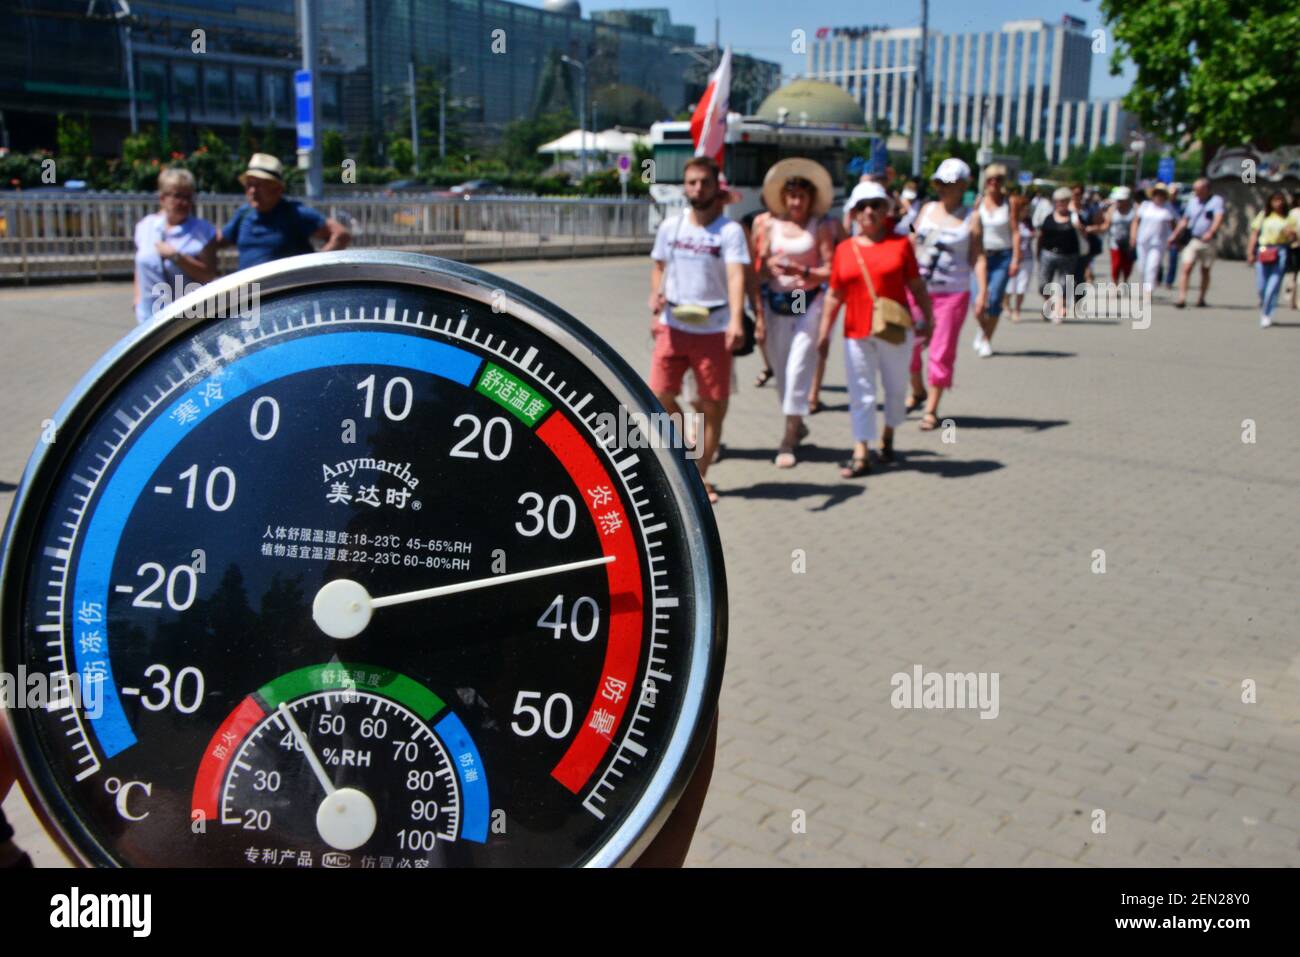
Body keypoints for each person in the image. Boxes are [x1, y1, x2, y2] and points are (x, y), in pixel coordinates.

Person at [647, 155, 749, 503]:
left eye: (704, 182)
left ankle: (699, 479)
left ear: (716, 186)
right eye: (691, 182)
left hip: (713, 327)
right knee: (658, 396)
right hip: (673, 324)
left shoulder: (730, 232)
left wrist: (737, 319)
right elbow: (658, 268)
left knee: (711, 405)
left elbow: (737, 275)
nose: (697, 188)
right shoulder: (671, 228)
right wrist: (656, 295)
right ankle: (688, 445)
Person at [821, 181, 935, 476]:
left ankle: (888, 435)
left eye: (875, 205)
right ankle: (861, 450)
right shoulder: (845, 249)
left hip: (894, 329)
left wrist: (929, 318)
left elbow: (916, 285)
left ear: (886, 209)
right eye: (862, 206)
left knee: (896, 390)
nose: (869, 211)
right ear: (854, 213)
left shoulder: (900, 245)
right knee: (861, 392)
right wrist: (823, 332)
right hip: (856, 331)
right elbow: (834, 294)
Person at [752, 158, 836, 468]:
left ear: (811, 198)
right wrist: (766, 264)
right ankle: (796, 422)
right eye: (792, 196)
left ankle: (787, 438)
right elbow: (754, 270)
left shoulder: (821, 226)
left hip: (805, 298)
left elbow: (831, 269)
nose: (797, 202)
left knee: (800, 364)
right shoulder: (766, 224)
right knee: (781, 367)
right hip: (775, 301)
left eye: (802, 196)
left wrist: (803, 270)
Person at [907, 157, 982, 430]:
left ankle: (931, 409)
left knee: (940, 351)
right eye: (939, 183)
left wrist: (981, 293)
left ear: (964, 185)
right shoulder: (926, 210)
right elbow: (912, 236)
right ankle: (917, 390)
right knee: (908, 346)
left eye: (949, 184)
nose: (943, 188)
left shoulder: (971, 219)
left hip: (952, 294)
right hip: (917, 290)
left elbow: (978, 258)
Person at [217, 153, 350, 270]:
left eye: (259, 185)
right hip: (248, 294)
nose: (252, 191)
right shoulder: (244, 213)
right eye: (249, 185)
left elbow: (341, 234)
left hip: (284, 295)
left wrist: (313, 269)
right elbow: (217, 241)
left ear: (277, 189)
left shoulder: (294, 213)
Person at [132, 167, 218, 324]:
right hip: (147, 319)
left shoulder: (203, 231)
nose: (184, 202)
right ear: (162, 198)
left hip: (183, 321)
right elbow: (140, 267)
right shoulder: (146, 227)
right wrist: (137, 300)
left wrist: (176, 257)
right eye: (177, 195)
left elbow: (208, 275)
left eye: (188, 196)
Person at [970, 164, 1019, 357]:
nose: (994, 183)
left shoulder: (1010, 202)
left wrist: (1016, 258)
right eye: (990, 179)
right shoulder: (979, 201)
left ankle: (986, 339)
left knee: (995, 298)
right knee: (978, 303)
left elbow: (1015, 232)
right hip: (980, 255)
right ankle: (983, 329)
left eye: (998, 179)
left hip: (1002, 256)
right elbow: (972, 228)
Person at [1171, 177, 1226, 308]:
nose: (1195, 191)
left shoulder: (1216, 201)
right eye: (1194, 188)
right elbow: (1185, 219)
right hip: (1193, 239)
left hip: (1208, 241)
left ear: (1206, 189)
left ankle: (1201, 298)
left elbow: (1218, 218)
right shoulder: (1192, 201)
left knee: (1205, 270)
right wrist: (1175, 234)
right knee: (1186, 267)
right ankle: (1182, 297)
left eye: (1198, 189)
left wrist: (1211, 232)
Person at [1036, 186, 1087, 322]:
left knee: (1064, 285)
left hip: (1069, 256)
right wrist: (1037, 253)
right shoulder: (1048, 218)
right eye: (1058, 201)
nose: (1060, 204)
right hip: (1048, 254)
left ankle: (1058, 310)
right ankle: (1050, 303)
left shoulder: (1075, 217)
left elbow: (1085, 235)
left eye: (1063, 201)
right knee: (1043, 284)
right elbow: (1041, 236)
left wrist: (1080, 228)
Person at [1246, 190, 1295, 328]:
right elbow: (1254, 234)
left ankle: (1266, 314)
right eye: (1275, 200)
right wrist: (1250, 252)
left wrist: (1291, 234)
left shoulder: (1288, 217)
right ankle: (1265, 304)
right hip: (1263, 250)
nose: (1278, 203)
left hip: (1280, 251)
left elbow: (1293, 238)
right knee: (1262, 286)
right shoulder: (1264, 215)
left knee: (1273, 286)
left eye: (1280, 200)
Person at [1131, 183, 1177, 292]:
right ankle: (1145, 287)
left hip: (1158, 243)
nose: (1159, 196)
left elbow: (1174, 225)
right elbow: (1136, 221)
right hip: (1142, 241)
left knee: (1152, 267)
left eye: (1161, 194)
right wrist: (1133, 236)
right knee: (1142, 268)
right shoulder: (1145, 205)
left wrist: (1174, 238)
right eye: (1157, 193)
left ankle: (1148, 292)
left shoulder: (1168, 208)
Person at [1006, 199, 1035, 322]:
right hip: (1012, 259)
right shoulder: (1010, 223)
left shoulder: (1028, 223)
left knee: (1021, 287)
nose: (1026, 211)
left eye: (1027, 208)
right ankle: (1006, 305)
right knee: (1009, 287)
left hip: (1027, 259)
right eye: (1024, 208)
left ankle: (1017, 310)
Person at [1069, 182, 1103, 283]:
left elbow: (1099, 225)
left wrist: (1088, 228)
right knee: (1069, 274)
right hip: (1068, 246)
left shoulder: (1088, 209)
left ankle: (1078, 295)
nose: (1076, 196)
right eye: (1074, 193)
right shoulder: (1065, 208)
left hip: (1084, 245)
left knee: (1080, 276)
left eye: (1079, 193)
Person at [1102, 186, 1136, 282]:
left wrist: (1133, 239)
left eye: (1122, 199)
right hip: (1115, 241)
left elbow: (1135, 225)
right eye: (1119, 199)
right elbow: (1106, 225)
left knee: (1127, 266)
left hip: (1129, 242)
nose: (1120, 202)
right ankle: (1115, 284)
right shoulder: (1113, 210)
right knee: (1116, 264)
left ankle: (1125, 281)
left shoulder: (1133, 210)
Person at [1286, 193, 1300, 311]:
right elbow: (1289, 228)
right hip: (1295, 247)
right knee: (1293, 274)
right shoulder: (1293, 213)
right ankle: (1292, 299)